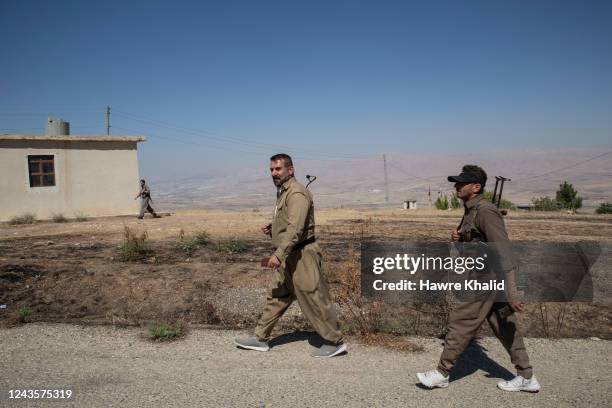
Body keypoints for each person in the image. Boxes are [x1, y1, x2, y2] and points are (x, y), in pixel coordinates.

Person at [417, 165, 540, 392]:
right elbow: (477, 242)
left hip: (487, 278)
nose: (456, 186)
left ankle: (442, 373)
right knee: (505, 326)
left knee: (461, 321)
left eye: (461, 183)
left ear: (476, 187)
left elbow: (504, 251)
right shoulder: (471, 210)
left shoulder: (485, 211)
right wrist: (460, 238)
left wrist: (512, 290)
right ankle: (527, 377)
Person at [234, 153, 346, 357]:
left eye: (278, 169)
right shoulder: (284, 192)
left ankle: (334, 341)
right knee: (278, 294)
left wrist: (278, 254)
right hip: (289, 254)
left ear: (290, 169)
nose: (274, 173)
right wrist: (274, 227)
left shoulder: (296, 193)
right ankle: (260, 338)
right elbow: (290, 222)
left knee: (314, 297)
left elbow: (296, 229)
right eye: (271, 169)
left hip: (302, 255)